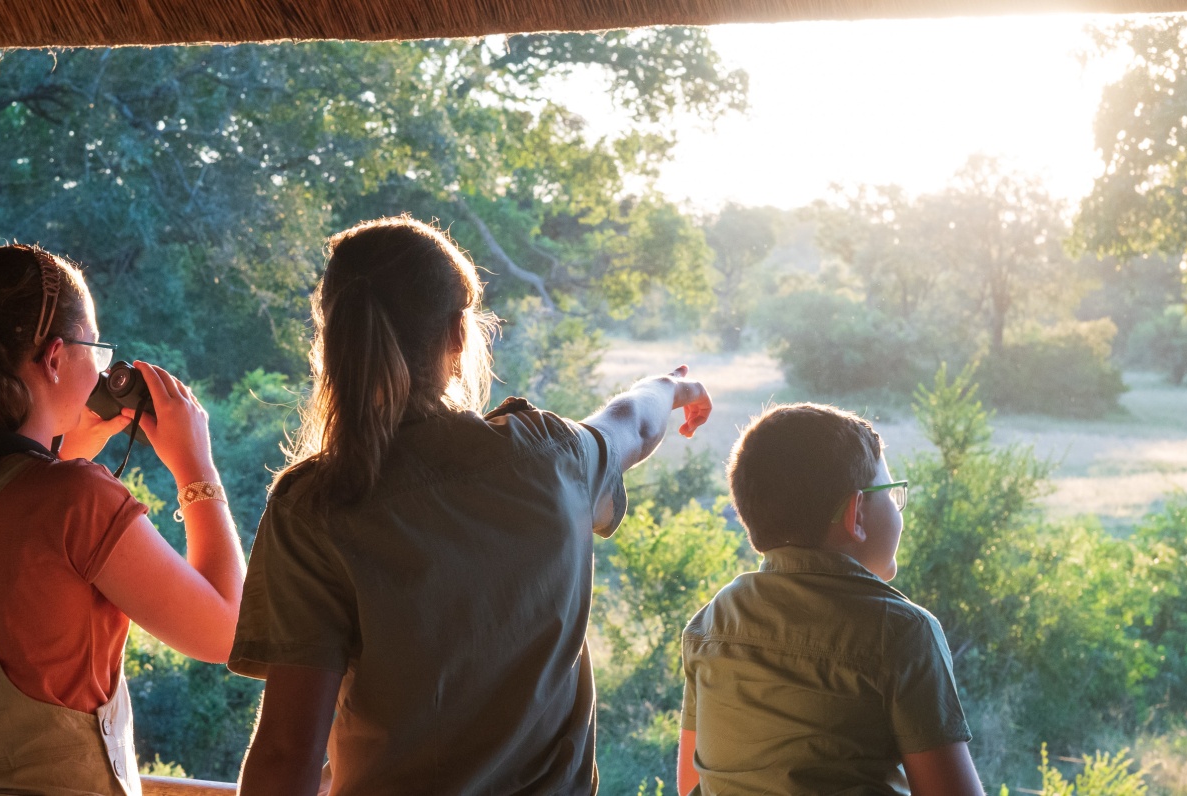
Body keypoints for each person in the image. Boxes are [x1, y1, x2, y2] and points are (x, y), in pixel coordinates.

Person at [230, 216, 713, 796]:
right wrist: (671, 386)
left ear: (331, 340)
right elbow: (632, 423)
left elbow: (287, 754)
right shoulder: (551, 456)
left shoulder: (314, 506)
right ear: (458, 336)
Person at [0, 244, 245, 796]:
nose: (102, 368)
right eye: (95, 348)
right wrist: (196, 467)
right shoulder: (77, 499)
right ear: (55, 358)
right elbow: (226, 634)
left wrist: (65, 455)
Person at [677, 403, 983, 796]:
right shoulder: (902, 632)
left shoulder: (710, 624)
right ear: (857, 515)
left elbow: (692, 783)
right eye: (891, 495)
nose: (897, 508)